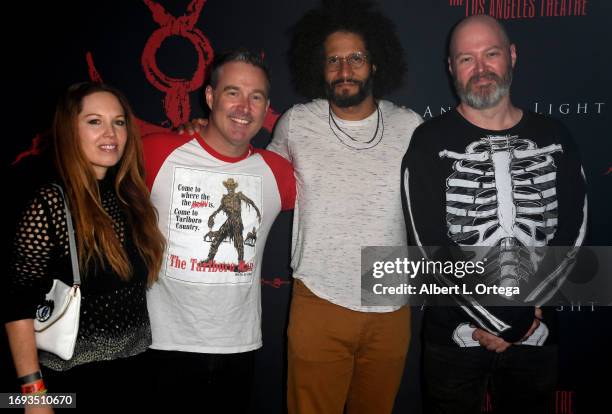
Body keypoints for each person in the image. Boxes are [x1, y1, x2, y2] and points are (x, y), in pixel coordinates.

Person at [401, 15, 587, 413]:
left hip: (537, 331)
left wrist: (521, 316)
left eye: (491, 54)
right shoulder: (428, 141)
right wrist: (509, 321)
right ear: (451, 68)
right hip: (456, 335)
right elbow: (428, 245)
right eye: (466, 59)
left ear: (512, 56)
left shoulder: (556, 136)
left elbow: (573, 232)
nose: (481, 68)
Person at [266, 2, 422, 412]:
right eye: (333, 59)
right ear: (319, 67)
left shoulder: (410, 126)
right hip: (319, 296)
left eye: (355, 57)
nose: (344, 69)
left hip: (389, 301)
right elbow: (256, 180)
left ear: (375, 63)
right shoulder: (297, 122)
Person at [142, 48, 295, 412]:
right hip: (161, 345)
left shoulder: (278, 172)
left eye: (255, 97)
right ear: (210, 97)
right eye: (232, 92)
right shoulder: (155, 152)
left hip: (238, 348)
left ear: (266, 106)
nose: (244, 107)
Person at [3, 82, 166, 411]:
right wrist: (34, 396)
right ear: (69, 130)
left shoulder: (130, 198)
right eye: (95, 121)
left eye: (118, 122)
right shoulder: (50, 203)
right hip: (73, 382)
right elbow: (16, 305)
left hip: (136, 372)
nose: (110, 133)